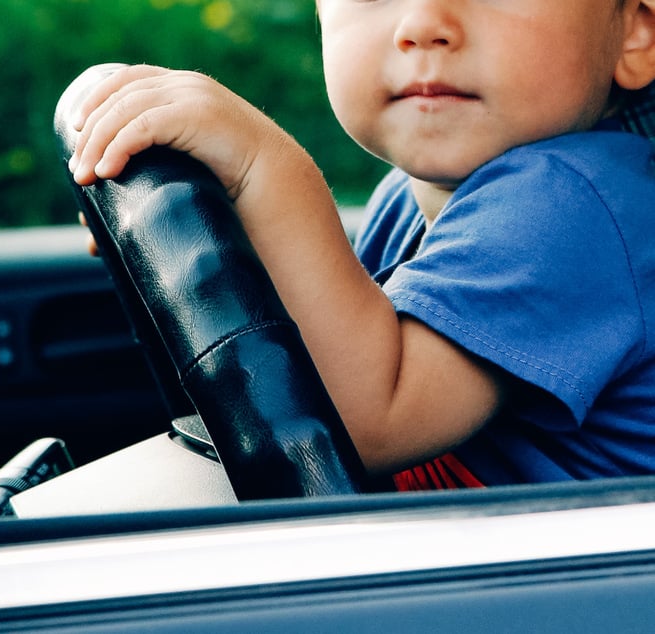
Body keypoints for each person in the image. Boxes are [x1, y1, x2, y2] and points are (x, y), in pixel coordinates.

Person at [68, 0, 655, 490]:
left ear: (636, 30)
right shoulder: (409, 199)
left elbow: (353, 426)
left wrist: (265, 168)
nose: (423, 23)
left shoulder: (573, 204)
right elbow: (316, 359)